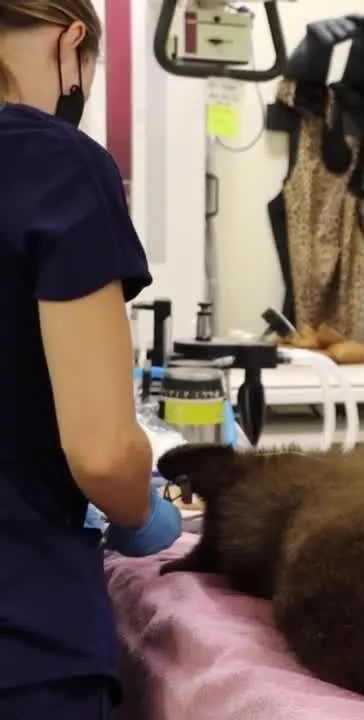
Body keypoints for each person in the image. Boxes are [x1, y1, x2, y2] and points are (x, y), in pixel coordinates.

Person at [0, 2, 182, 716]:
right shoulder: (50, 160)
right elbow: (104, 454)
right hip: (20, 639)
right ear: (72, 41)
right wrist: (140, 514)